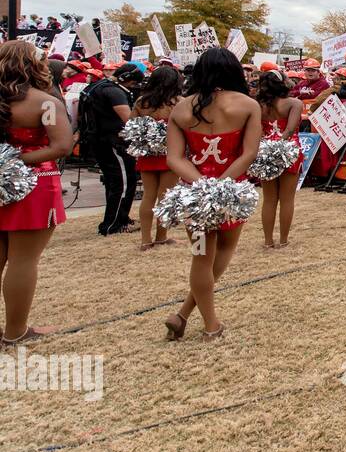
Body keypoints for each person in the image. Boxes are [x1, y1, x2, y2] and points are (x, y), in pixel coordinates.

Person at [164, 48, 261, 342]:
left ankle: (186, 316)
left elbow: (174, 158)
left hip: (194, 195)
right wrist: (221, 184)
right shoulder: (246, 105)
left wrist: (201, 184)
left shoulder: (180, 109)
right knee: (225, 251)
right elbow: (249, 153)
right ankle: (209, 326)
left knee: (201, 256)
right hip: (233, 192)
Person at [0, 41, 74, 346]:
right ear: (33, 64)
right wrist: (16, 159)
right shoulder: (44, 102)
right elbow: (60, 146)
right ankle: (16, 331)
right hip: (35, 183)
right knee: (23, 260)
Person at [81, 62, 145, 236]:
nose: (134, 88)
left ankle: (119, 218)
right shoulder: (115, 92)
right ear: (127, 79)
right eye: (133, 84)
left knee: (113, 182)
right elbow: (128, 119)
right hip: (113, 142)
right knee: (123, 182)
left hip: (98, 140)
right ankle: (114, 223)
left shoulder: (97, 86)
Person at [131, 64, 183, 251]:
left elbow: (131, 126)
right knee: (165, 196)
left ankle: (146, 240)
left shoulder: (141, 102)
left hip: (148, 155)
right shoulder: (179, 102)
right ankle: (161, 237)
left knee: (148, 195)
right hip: (171, 154)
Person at [256, 69, 304, 248]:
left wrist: (267, 147)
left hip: (265, 152)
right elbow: (290, 130)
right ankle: (283, 240)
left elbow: (258, 130)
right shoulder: (294, 103)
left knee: (269, 199)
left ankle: (268, 241)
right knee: (287, 199)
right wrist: (279, 145)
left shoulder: (259, 105)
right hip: (289, 150)